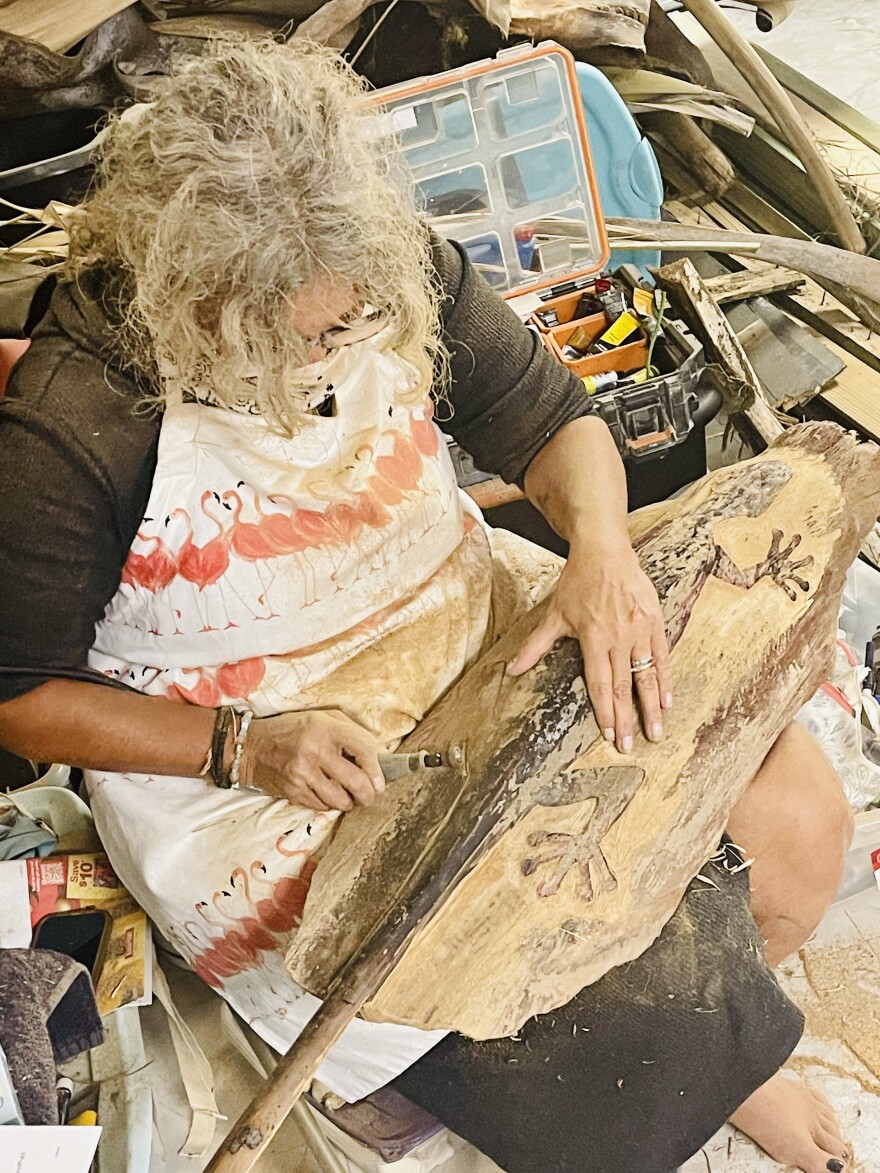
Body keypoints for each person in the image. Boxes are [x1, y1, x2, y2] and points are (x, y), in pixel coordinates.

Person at [0, 38, 853, 1173]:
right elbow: (20, 699)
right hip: (260, 736)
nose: (335, 349)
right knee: (604, 1036)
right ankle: (692, 1068)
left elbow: (556, 424)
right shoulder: (76, 423)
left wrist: (598, 552)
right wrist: (239, 746)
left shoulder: (388, 265)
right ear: (190, 299)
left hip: (465, 614)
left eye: (353, 321)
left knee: (796, 818)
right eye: (302, 336)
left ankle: (739, 1049)